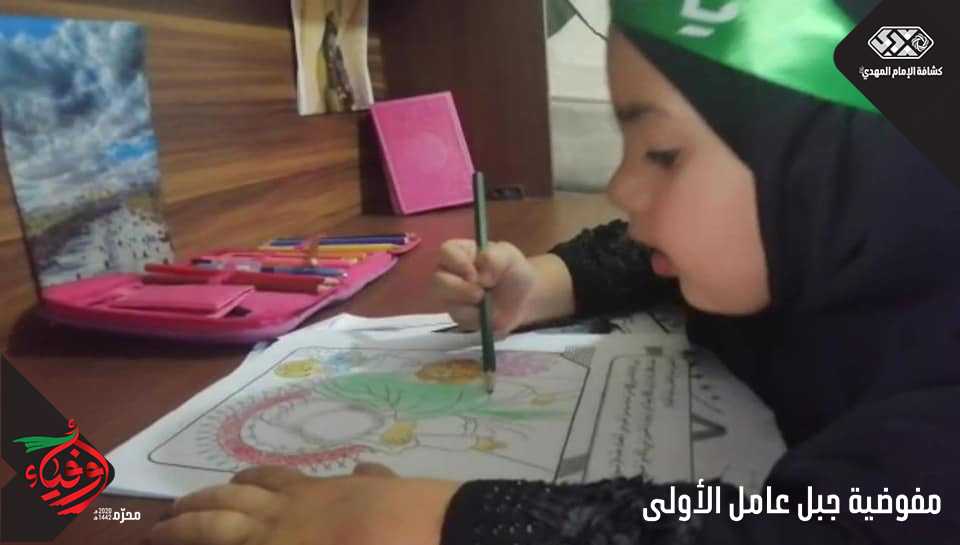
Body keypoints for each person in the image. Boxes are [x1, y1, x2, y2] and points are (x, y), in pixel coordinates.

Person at [147, 1, 960, 543]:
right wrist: (538, 282)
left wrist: (439, 523)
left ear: (828, 166)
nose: (620, 186)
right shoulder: (827, 247)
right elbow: (642, 254)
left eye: (662, 152)